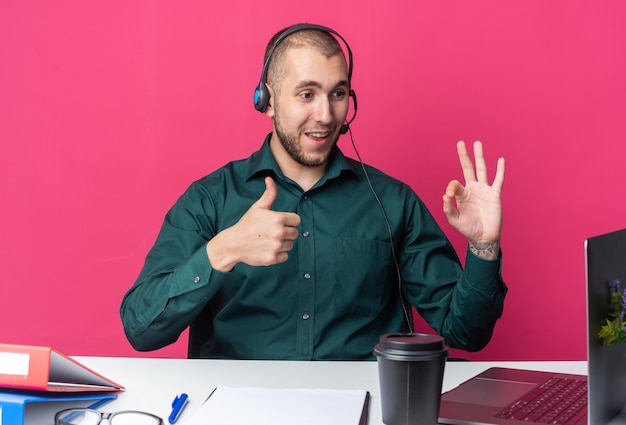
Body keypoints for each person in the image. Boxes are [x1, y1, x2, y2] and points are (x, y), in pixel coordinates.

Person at [120, 23, 507, 360]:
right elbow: (141, 329)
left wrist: (483, 246)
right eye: (307, 94)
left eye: (337, 94)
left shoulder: (393, 201)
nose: (325, 115)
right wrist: (224, 251)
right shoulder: (210, 199)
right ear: (267, 100)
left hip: (364, 404)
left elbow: (466, 333)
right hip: (241, 405)